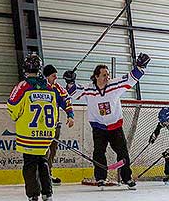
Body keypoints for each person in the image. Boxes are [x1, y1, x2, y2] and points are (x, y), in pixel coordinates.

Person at [64, 53, 150, 189]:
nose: (107, 77)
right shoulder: (88, 89)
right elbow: (73, 92)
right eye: (104, 75)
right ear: (96, 76)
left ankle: (127, 178)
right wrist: (69, 82)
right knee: (98, 152)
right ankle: (100, 178)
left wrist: (140, 66)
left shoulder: (114, 85)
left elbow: (131, 79)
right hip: (99, 128)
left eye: (108, 75)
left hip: (115, 127)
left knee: (122, 153)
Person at [7, 54, 64, 201]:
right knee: (43, 162)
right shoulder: (49, 87)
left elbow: (12, 107)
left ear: (25, 68)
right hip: (46, 134)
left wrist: (18, 117)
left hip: (28, 134)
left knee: (30, 165)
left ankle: (33, 196)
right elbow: (56, 108)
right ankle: (48, 194)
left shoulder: (23, 86)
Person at [43, 64, 75, 185]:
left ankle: (48, 174)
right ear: (46, 76)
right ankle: (42, 175)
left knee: (52, 150)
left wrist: (70, 115)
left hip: (54, 125)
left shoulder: (57, 88)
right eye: (53, 75)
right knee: (43, 151)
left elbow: (66, 99)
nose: (56, 78)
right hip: (42, 126)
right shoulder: (40, 87)